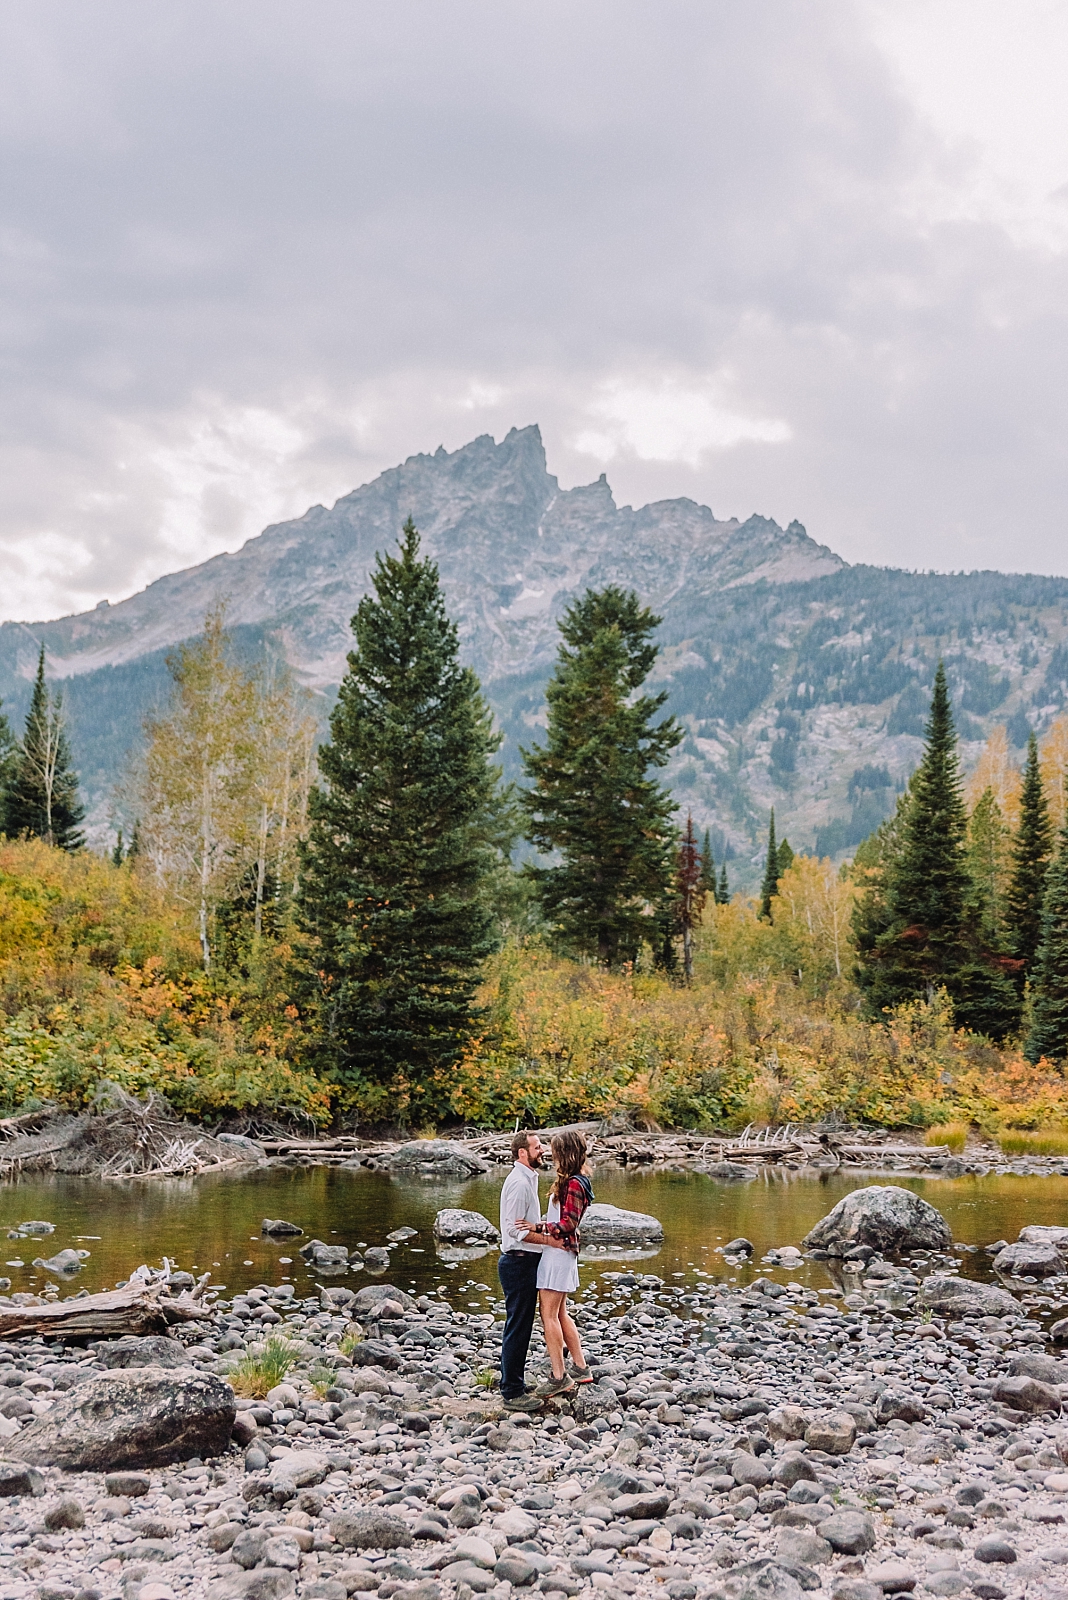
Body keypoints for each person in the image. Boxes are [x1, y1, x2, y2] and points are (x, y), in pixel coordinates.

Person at [519, 1129, 595, 1398]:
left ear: (566, 1153)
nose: (550, 1153)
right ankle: (581, 1367)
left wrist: (538, 1226)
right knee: (560, 1314)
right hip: (561, 1254)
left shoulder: (574, 1183)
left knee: (548, 1315)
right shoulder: (575, 1180)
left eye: (554, 1149)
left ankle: (559, 1376)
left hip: (558, 1255)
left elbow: (568, 1224)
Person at [496, 1128, 546, 1412]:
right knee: (518, 1326)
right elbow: (514, 1231)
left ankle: (514, 1381)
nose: (542, 1150)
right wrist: (551, 1240)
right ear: (522, 1153)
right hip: (518, 1261)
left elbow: (525, 1223)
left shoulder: (528, 1179)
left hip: (524, 1260)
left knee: (522, 1325)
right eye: (537, 1147)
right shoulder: (518, 1183)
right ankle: (512, 1392)